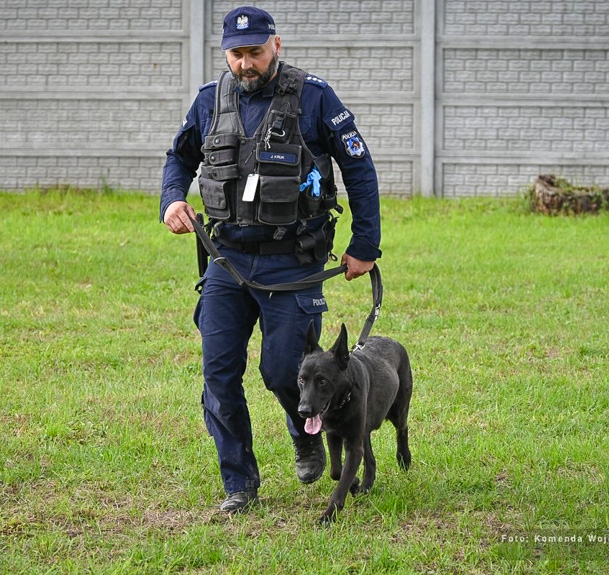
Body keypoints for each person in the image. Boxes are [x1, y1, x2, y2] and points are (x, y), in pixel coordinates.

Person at [159, 5, 381, 513]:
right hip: (228, 260)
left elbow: (359, 167)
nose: (245, 64)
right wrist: (173, 198)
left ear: (275, 46)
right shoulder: (209, 101)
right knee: (218, 374)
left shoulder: (315, 97)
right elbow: (180, 157)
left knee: (285, 371)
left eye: (255, 52)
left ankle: (306, 429)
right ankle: (239, 484)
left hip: (295, 260)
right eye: (236, 54)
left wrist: (365, 244)